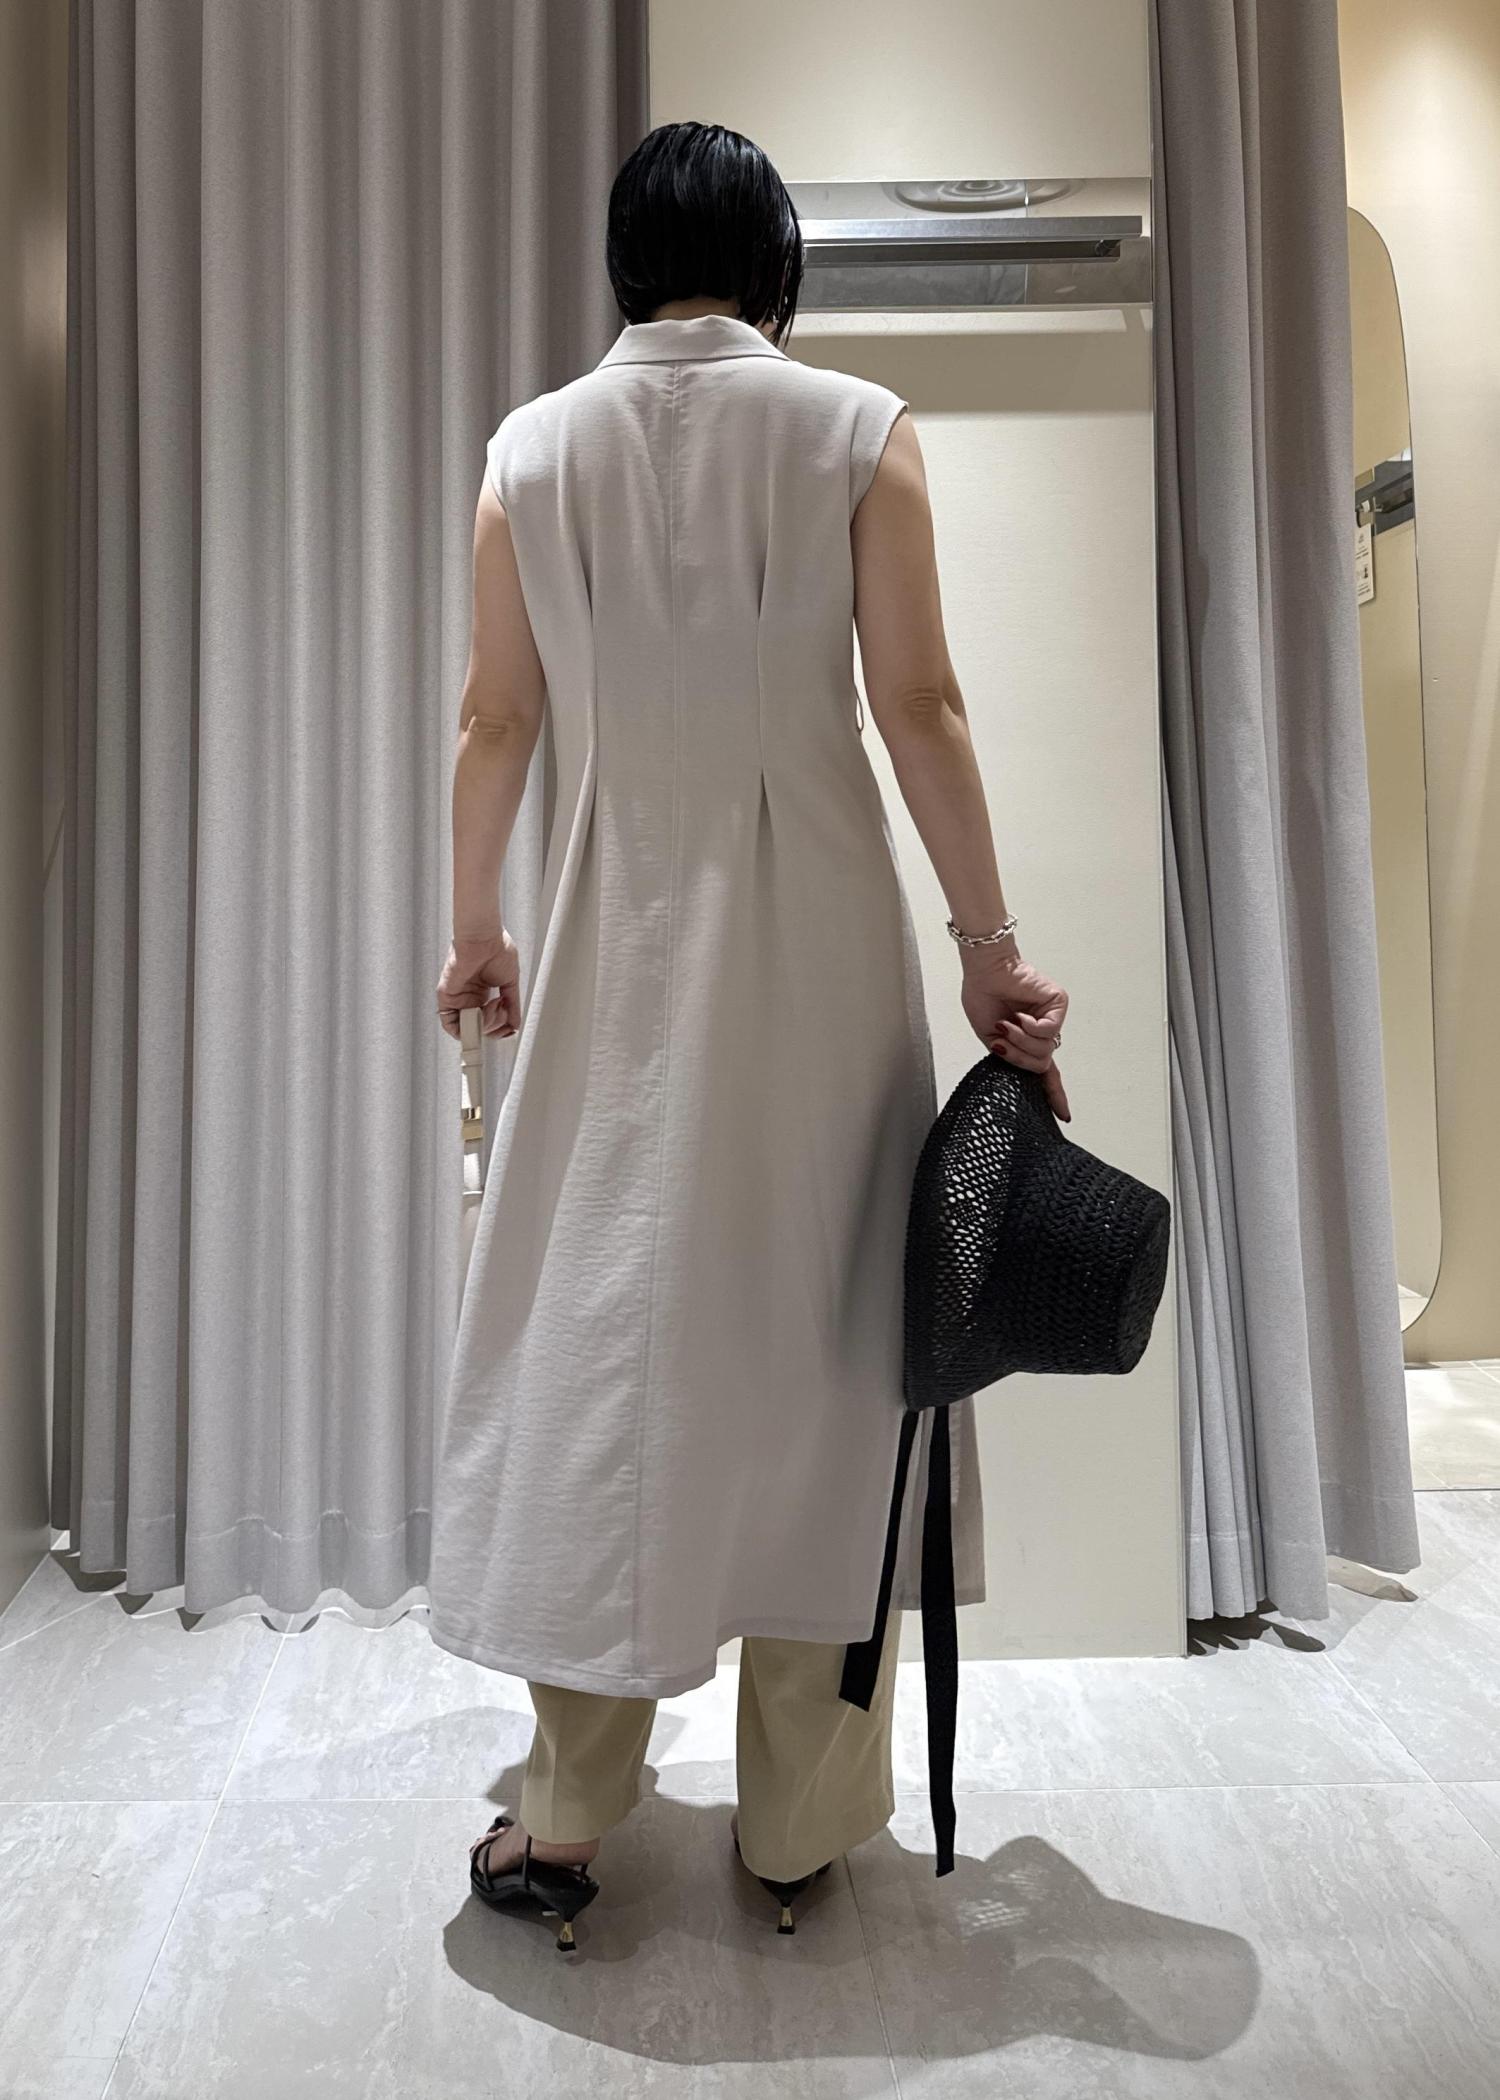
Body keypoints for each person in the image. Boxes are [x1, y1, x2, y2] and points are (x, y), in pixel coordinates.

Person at [428, 120, 1069, 1948]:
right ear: (776, 262)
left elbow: (495, 722)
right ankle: (798, 1826)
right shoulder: (858, 429)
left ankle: (566, 1811)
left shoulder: (530, 451)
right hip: (820, 953)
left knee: (599, 1345)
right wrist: (990, 952)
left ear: (626, 264)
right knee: (834, 1345)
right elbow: (920, 702)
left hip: (616, 945)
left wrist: (477, 931)